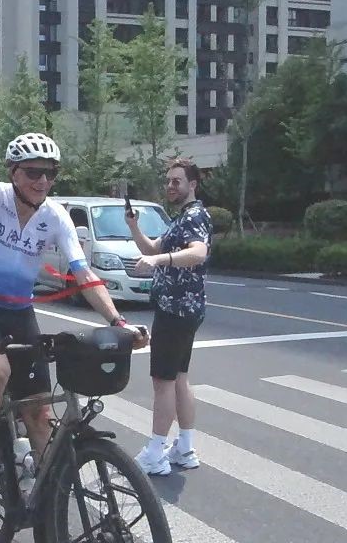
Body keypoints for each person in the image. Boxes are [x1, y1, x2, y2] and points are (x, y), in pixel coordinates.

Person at [0, 63, 149, 489]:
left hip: (20, 314)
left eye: (49, 173)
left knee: (40, 413)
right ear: (13, 173)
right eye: (33, 172)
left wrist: (117, 321)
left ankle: (53, 502)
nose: (42, 180)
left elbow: (84, 273)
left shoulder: (56, 216)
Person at [128, 158, 212, 476]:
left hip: (176, 310)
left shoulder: (194, 217)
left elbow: (198, 253)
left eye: (177, 181)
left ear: (193, 185)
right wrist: (134, 226)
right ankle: (184, 447)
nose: (170, 186)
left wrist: (160, 260)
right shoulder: (182, 219)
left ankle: (155, 452)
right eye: (168, 181)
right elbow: (151, 247)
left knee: (162, 382)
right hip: (183, 310)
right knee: (178, 378)